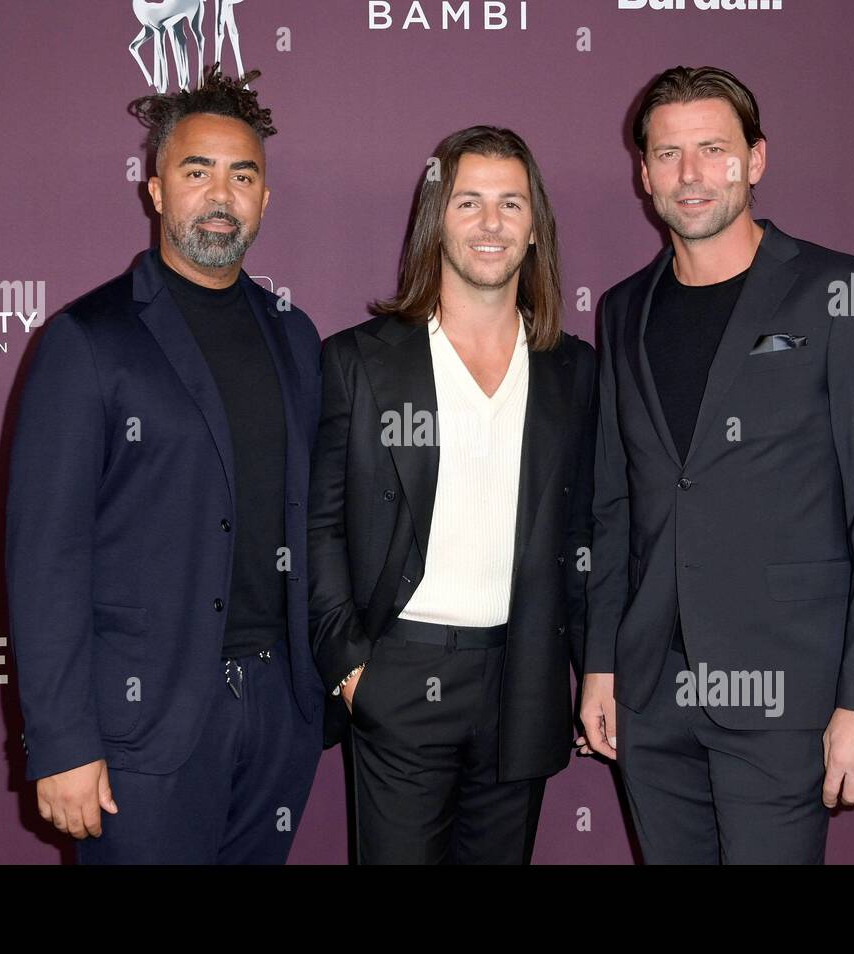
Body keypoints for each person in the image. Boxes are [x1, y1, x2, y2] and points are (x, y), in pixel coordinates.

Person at [578, 66, 854, 864]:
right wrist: (601, 665)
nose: (690, 175)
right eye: (668, 154)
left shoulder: (843, 292)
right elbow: (614, 506)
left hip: (785, 695)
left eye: (712, 150)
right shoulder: (625, 309)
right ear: (643, 173)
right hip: (654, 693)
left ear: (756, 160)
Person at [5, 67, 323, 864]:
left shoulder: (295, 336)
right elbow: (45, 557)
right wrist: (62, 741)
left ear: (265, 198)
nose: (221, 193)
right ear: (154, 191)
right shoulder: (88, 340)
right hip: (141, 724)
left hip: (279, 711)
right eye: (196, 171)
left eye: (242, 175)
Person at [309, 126, 596, 864]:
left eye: (511, 203)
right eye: (469, 202)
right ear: (437, 220)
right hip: (399, 676)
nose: (491, 223)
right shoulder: (357, 363)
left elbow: (596, 531)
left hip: (522, 678)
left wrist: (598, 667)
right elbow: (320, 525)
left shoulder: (573, 371)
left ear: (537, 231)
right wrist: (351, 668)